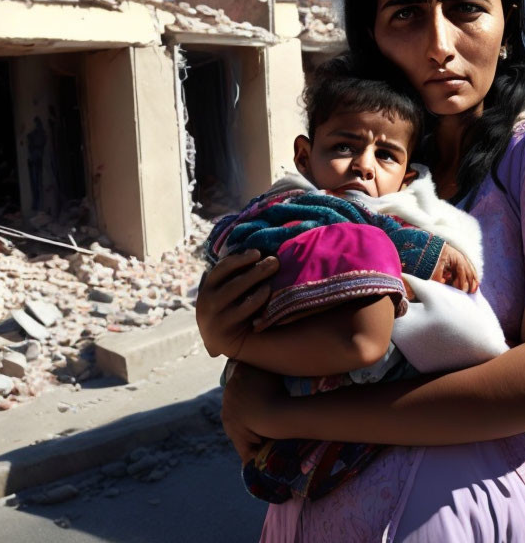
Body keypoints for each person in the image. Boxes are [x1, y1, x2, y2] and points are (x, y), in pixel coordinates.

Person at [196, 0, 525, 542]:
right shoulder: (361, 176)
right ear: (371, 34)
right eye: (405, 14)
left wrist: (289, 417)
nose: (438, 44)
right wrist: (230, 336)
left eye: (466, 10)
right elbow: (294, 305)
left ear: (506, 22)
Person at [204, 69, 508, 503]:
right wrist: (426, 252)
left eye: (385, 155)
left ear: (405, 178)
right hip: (305, 338)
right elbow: (359, 226)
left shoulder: (405, 209)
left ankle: (302, 462)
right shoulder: (296, 201)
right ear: (305, 157)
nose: (363, 165)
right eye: (344, 146)